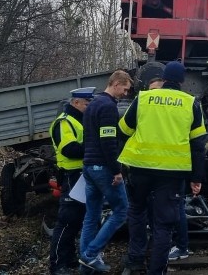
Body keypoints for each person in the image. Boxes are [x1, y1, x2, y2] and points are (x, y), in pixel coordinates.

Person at [119, 61, 208, 275]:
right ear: (182, 81)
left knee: (137, 212)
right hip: (172, 173)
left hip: (139, 168)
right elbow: (198, 145)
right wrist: (197, 178)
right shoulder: (191, 103)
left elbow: (123, 131)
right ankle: (156, 270)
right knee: (164, 224)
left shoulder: (143, 98)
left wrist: (120, 166)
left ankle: (135, 260)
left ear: (163, 77)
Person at [78, 70, 133, 273]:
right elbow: (108, 142)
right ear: (116, 83)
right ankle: (91, 254)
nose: (125, 94)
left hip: (89, 167)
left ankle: (86, 266)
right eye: (125, 89)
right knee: (121, 211)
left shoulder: (92, 104)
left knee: (91, 216)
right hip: (103, 167)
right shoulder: (109, 107)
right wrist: (116, 170)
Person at [48, 87, 94, 275]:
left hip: (81, 175)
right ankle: (57, 264)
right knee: (67, 221)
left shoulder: (78, 120)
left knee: (76, 220)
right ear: (75, 103)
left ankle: (70, 258)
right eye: (86, 103)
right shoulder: (64, 122)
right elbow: (70, 149)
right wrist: (94, 147)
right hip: (71, 175)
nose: (89, 106)